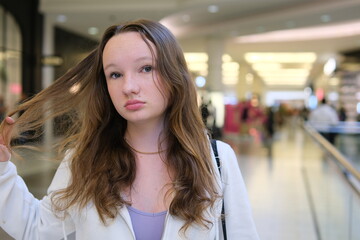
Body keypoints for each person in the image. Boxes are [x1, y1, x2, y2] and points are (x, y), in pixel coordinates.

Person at [0, 19, 259, 239]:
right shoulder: (85, 159)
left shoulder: (216, 159)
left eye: (146, 68)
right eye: (115, 74)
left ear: (174, 74)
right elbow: (37, 229)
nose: (129, 86)